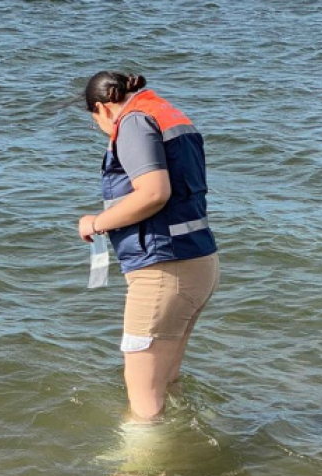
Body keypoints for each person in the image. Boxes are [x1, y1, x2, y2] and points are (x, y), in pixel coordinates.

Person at [79, 71, 220, 422]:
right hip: (197, 262)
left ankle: (137, 474)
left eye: (95, 122)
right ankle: (181, 461)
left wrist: (95, 223)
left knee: (142, 395)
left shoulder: (133, 123)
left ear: (102, 108)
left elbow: (155, 193)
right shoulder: (168, 114)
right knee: (165, 382)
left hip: (163, 271)